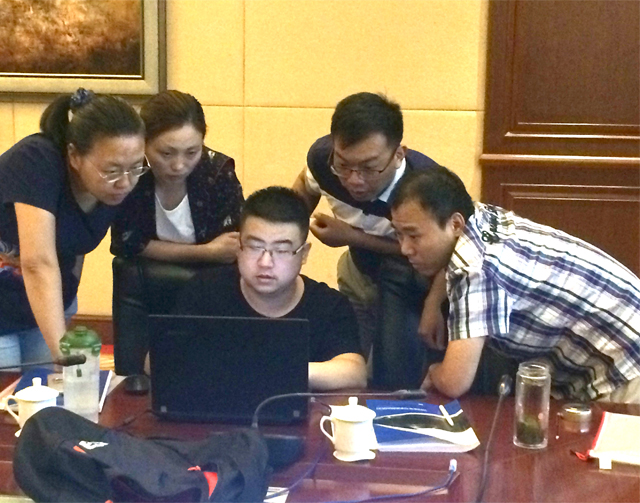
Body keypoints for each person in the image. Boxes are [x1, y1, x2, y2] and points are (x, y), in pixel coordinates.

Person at [389, 167, 640, 403]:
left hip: (626, 363)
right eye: (399, 235)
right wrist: (434, 301)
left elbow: (455, 381)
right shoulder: (478, 216)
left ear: (455, 224)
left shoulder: (476, 270)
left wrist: (435, 372)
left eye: (414, 236)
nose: (404, 248)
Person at [292, 92, 443, 389]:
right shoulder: (323, 160)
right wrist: (288, 235)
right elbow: (305, 185)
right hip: (358, 270)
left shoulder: (427, 188)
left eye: (369, 168)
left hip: (414, 282)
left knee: (394, 379)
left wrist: (434, 304)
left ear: (398, 154)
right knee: (350, 368)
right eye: (344, 165)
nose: (354, 180)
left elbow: (448, 253)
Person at [0, 88, 146, 366]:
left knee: (47, 388)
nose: (125, 182)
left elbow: (74, 244)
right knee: (11, 386)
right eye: (112, 170)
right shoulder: (35, 160)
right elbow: (38, 262)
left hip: (42, 307)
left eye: (136, 167)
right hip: (8, 302)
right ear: (74, 156)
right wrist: (61, 350)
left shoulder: (119, 185)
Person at [175, 186, 367, 391]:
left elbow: (354, 372)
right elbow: (165, 360)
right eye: (255, 247)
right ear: (239, 246)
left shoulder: (328, 305)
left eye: (281, 250)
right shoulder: (204, 290)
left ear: (303, 254)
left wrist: (273, 370)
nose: (265, 262)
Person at [111, 90, 243, 261]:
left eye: (191, 152)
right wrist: (206, 252)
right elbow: (124, 242)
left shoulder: (217, 172)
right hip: (144, 275)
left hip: (210, 276)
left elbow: (231, 247)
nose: (179, 166)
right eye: (166, 153)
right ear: (144, 143)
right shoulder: (133, 172)